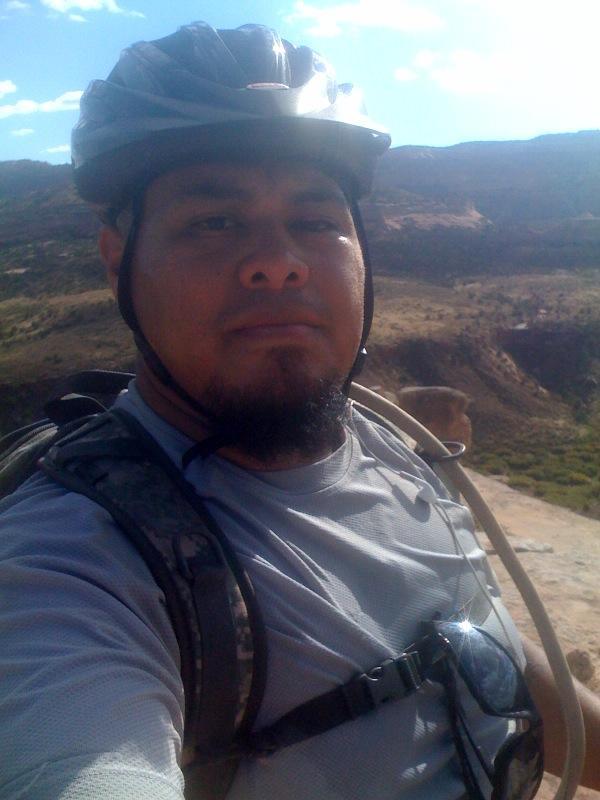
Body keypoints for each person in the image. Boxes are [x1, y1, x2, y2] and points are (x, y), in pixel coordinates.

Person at [0, 21, 599, 800]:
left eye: (316, 220)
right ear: (118, 260)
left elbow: (480, 647)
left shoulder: (387, 442)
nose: (277, 261)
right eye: (213, 221)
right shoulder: (68, 567)